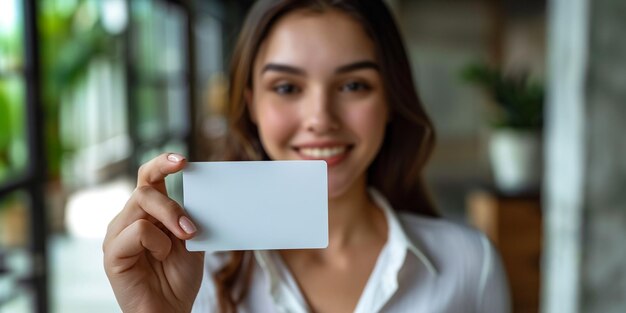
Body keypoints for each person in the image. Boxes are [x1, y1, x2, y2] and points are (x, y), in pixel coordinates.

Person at [103, 0, 511, 312]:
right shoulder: (191, 272)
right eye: (286, 87)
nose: (320, 119)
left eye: (353, 85)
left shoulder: (469, 264)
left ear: (390, 100)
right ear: (252, 105)